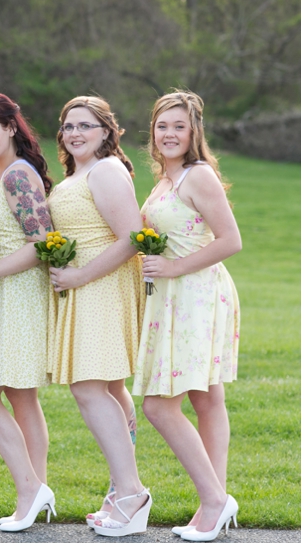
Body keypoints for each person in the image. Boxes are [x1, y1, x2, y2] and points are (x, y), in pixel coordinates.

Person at [134, 91, 241, 542]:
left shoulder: (198, 176)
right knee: (207, 398)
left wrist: (174, 267)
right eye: (162, 126)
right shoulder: (165, 180)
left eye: (179, 126)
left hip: (197, 295)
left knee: (160, 406)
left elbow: (231, 239)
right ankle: (212, 503)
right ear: (153, 133)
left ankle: (215, 500)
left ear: (194, 132)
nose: (169, 134)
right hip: (172, 298)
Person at [46, 95, 148, 537]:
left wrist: (80, 275)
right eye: (69, 126)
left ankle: (132, 493)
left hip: (101, 284)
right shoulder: (79, 172)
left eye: (85, 126)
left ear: (106, 132)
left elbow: (132, 238)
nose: (75, 134)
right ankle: (120, 489)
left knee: (87, 387)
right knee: (107, 387)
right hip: (84, 284)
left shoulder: (106, 170)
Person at [0, 93, 57, 532]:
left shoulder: (19, 176)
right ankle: (36, 489)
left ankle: (30, 489)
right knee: (19, 396)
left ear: (11, 128)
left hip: (19, 294)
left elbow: (43, 246)